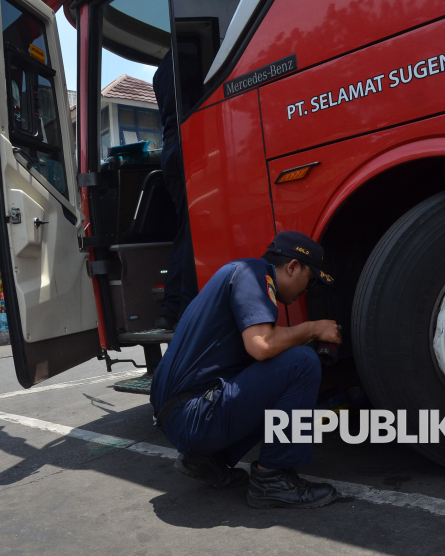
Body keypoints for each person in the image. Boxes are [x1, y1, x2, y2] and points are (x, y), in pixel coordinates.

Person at [150, 231, 341, 509]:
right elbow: (262, 346)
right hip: (193, 416)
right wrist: (314, 328)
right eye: (310, 281)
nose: (305, 291)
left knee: (280, 365)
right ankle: (272, 480)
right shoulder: (253, 274)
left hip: (180, 415)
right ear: (293, 267)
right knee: (302, 363)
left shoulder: (237, 273)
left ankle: (207, 459)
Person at [152, 49, 199, 330]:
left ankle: (170, 308)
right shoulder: (193, 53)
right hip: (190, 139)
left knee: (186, 228)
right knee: (196, 228)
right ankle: (186, 310)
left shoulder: (160, 72)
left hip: (169, 147)